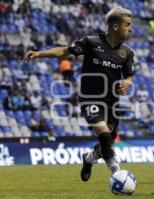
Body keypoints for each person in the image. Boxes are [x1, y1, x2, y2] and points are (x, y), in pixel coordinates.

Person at [23, 7, 134, 182]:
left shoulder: (127, 53)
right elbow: (65, 51)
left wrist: (127, 82)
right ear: (114, 26)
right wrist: (40, 54)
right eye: (127, 25)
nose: (131, 28)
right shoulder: (91, 42)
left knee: (108, 142)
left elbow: (128, 75)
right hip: (90, 99)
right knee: (104, 135)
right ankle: (117, 175)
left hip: (112, 102)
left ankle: (88, 159)